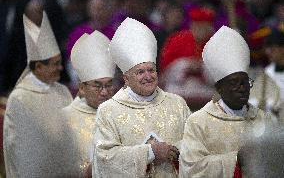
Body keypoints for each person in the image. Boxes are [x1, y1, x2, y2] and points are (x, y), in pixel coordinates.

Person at [94, 17, 191, 178]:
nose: (148, 76)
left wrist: (176, 149)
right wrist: (149, 153)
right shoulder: (109, 111)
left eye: (151, 70)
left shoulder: (177, 103)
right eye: (140, 72)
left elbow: (196, 144)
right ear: (126, 79)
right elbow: (104, 158)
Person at [180, 26, 279, 178]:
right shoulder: (198, 122)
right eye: (234, 83)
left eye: (245, 82)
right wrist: (235, 160)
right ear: (219, 88)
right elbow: (192, 168)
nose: (242, 88)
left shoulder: (264, 119)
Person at [3, 11, 73, 178]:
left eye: (60, 63)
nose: (61, 68)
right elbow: (18, 147)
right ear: (39, 67)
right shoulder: (20, 98)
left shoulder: (62, 91)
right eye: (55, 64)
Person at [62, 30, 116, 177]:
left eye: (109, 85)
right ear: (81, 88)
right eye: (97, 86)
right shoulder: (63, 120)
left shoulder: (122, 113)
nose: (104, 92)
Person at [249, 28, 284, 114]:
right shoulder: (268, 72)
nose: (268, 52)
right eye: (267, 49)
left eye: (272, 49)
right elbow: (254, 100)